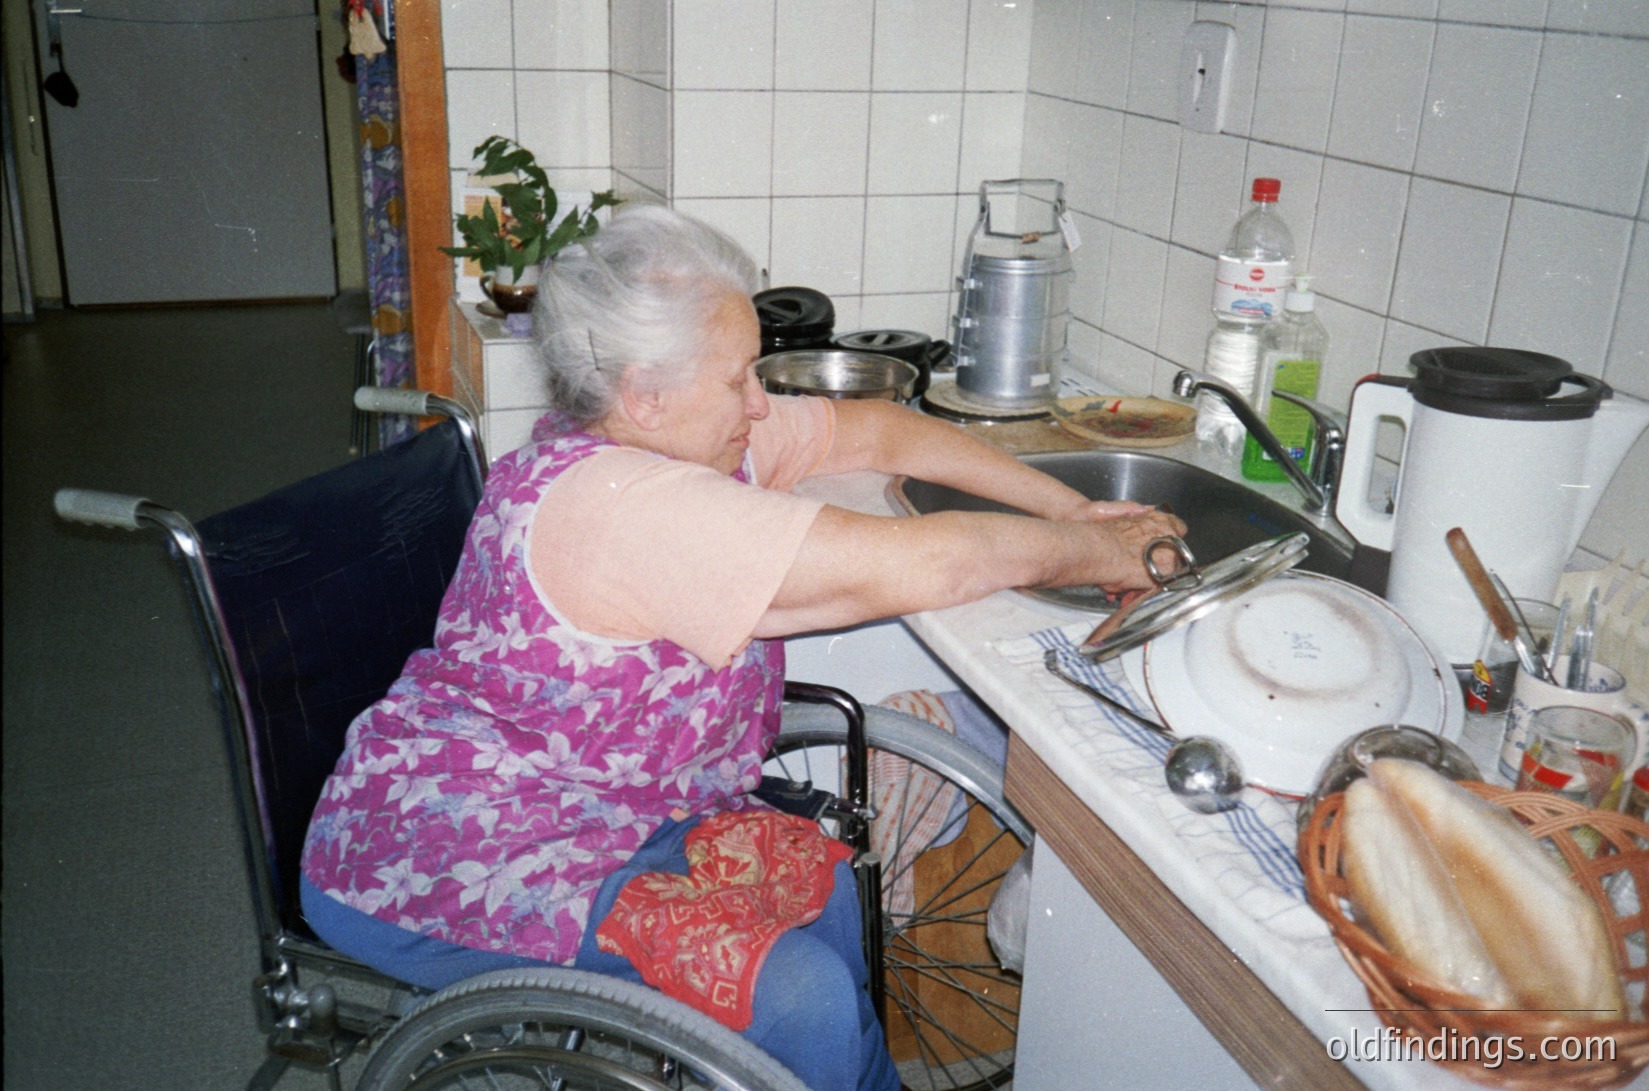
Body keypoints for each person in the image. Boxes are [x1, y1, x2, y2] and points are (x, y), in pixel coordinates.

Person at [300, 205, 1186, 1091]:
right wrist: (1112, 550)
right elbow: (938, 561)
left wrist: (1072, 511)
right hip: (445, 856)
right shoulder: (623, 506)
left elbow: (869, 427)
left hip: (613, 811)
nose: (760, 402)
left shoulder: (666, 437)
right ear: (645, 392)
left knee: (827, 887)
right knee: (801, 996)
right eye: (739, 380)